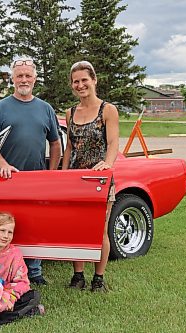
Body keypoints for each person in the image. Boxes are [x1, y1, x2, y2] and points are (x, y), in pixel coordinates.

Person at [0, 57, 61, 285]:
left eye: (28, 76)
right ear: (12, 79)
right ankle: (4, 270)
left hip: (37, 179)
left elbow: (55, 143)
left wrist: (51, 174)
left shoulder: (45, 109)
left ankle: (34, 271)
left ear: (35, 79)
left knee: (35, 224)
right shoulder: (0, 107)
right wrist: (3, 163)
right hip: (6, 179)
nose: (23, 79)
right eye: (19, 76)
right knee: (5, 227)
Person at [62, 60, 120, 292]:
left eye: (84, 80)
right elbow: (69, 146)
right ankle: (78, 276)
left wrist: (107, 164)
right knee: (76, 228)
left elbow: (114, 141)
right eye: (76, 81)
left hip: (99, 179)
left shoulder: (108, 109)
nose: (80, 85)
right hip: (76, 178)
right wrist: (63, 174)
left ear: (94, 80)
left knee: (99, 229)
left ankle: (98, 277)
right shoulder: (70, 112)